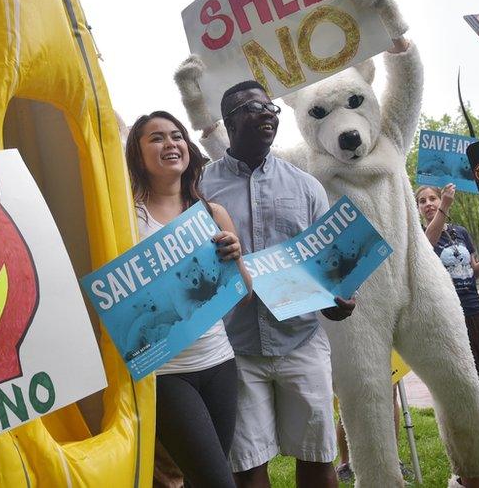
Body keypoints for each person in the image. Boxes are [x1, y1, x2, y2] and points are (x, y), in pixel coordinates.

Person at [199, 81, 355, 488]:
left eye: (271, 108)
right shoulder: (198, 190)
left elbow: (329, 266)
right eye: (254, 108)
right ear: (230, 122)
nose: (268, 114)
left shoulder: (306, 186)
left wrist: (336, 298)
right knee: (248, 467)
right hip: (235, 348)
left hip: (301, 339)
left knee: (318, 458)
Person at [125, 110, 252, 488]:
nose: (170, 143)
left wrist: (236, 257)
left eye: (176, 135)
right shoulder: (127, 218)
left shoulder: (213, 214)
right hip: (165, 373)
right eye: (157, 137)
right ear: (138, 153)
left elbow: (242, 295)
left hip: (219, 363)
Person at [416, 183, 479, 447]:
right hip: (449, 315)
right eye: (422, 201)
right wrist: (445, 206)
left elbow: (474, 270)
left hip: (475, 311)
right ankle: (475, 439)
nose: (428, 204)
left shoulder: (460, 232)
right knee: (464, 380)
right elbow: (427, 246)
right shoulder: (421, 235)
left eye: (433, 198)